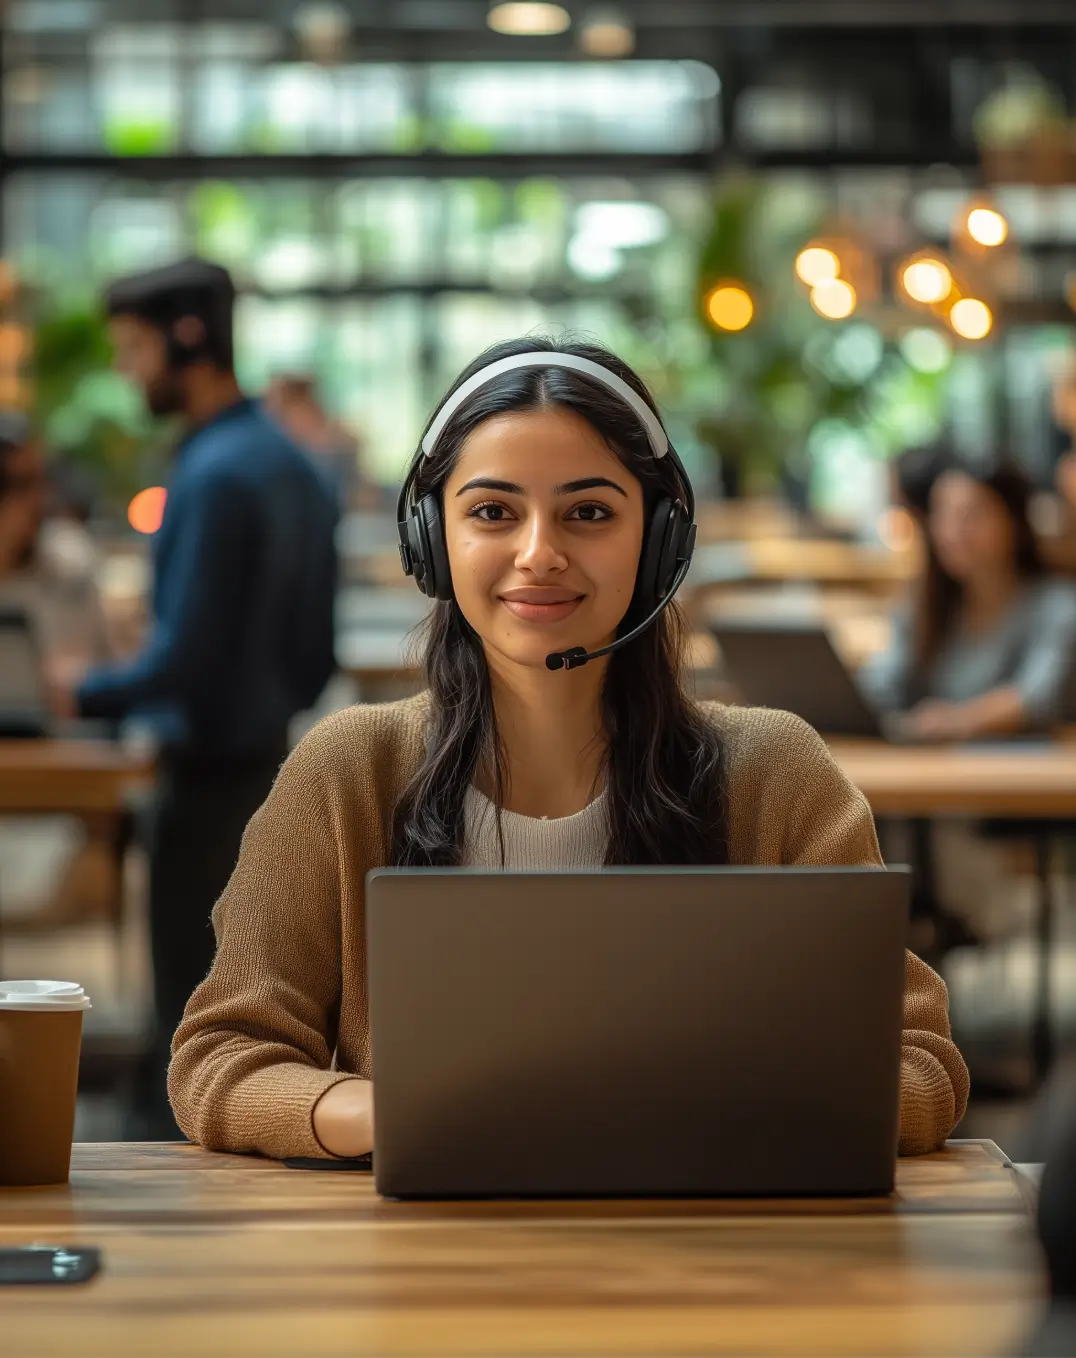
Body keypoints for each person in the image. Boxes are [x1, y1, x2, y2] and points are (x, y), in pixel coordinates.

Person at [168, 336, 969, 1163]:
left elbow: (921, 1069)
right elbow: (220, 1059)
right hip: (428, 1239)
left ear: (660, 542)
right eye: (492, 512)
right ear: (431, 541)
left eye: (589, 513)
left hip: (709, 1237)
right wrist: (408, 1113)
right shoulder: (348, 771)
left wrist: (690, 1111)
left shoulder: (773, 773)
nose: (539, 553)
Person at [73, 258, 339, 1136]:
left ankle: (162, 1190)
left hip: (202, 783)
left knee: (185, 1029)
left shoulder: (214, 472)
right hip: (267, 772)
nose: (127, 371)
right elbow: (315, 656)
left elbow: (182, 660)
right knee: (242, 1014)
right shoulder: (294, 464)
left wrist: (82, 691)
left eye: (135, 348)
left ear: (187, 340)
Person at [863, 460, 1076, 741]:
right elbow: (882, 686)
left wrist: (953, 721)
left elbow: (1038, 698)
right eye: (943, 514)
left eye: (972, 516)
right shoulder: (924, 605)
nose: (953, 532)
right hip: (928, 763)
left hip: (1016, 765)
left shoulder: (1058, 607)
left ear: (1014, 523)